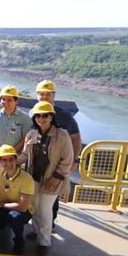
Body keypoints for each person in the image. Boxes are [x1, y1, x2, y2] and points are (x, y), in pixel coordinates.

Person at [18, 101, 73, 256]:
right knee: (34, 206)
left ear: (51, 117)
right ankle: (36, 231)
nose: (41, 118)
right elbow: (24, 155)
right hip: (33, 178)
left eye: (45, 115)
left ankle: (44, 241)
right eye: (38, 115)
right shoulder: (31, 134)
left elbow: (67, 160)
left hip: (52, 180)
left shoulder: (62, 135)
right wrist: (11, 161)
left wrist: (56, 177)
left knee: (45, 210)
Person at [35, 79, 82, 229]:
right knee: (37, 199)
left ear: (54, 95)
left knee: (51, 197)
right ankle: (38, 229)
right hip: (39, 164)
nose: (45, 97)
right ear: (37, 95)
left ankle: (50, 225)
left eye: (48, 94)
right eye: (42, 94)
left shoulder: (65, 116)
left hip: (57, 164)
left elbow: (76, 139)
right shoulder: (35, 112)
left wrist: (73, 160)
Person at [0, 145, 35, 255]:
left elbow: (22, 207)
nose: (8, 163)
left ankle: (19, 241)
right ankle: (2, 224)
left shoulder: (26, 179)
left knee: (14, 217)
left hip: (22, 210)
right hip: (3, 206)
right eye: (4, 160)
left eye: (11, 159)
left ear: (16, 159)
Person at [0, 85, 32, 175]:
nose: (5, 102)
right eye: (3, 99)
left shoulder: (25, 118)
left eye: (9, 100)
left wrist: (10, 153)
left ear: (16, 101)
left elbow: (25, 138)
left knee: (10, 181)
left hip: (13, 156)